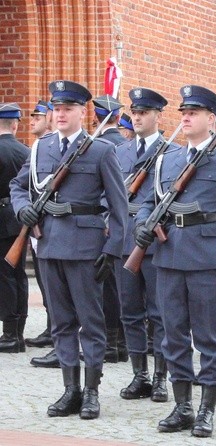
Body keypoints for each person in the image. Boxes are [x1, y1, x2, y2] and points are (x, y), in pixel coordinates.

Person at [134, 85, 216, 437]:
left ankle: (207, 409)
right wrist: (143, 224)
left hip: (209, 259)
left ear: (212, 119)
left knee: (211, 337)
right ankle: (183, 405)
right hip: (169, 257)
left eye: (194, 112)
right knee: (172, 336)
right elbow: (148, 202)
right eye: (184, 112)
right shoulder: (167, 160)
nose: (185, 117)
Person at [10, 80, 127, 419]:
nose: (60, 114)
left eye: (67, 109)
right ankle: (70, 390)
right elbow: (18, 186)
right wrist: (22, 209)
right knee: (61, 323)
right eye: (56, 109)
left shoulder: (101, 151)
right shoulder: (40, 148)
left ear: (82, 112)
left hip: (86, 247)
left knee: (91, 322)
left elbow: (118, 207)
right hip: (47, 245)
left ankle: (91, 392)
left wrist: (114, 249)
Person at [114, 87, 171, 402]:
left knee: (159, 312)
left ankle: (161, 377)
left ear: (158, 116)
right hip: (124, 240)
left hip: (155, 241)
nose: (137, 118)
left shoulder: (171, 152)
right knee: (130, 312)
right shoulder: (119, 152)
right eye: (134, 113)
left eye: (144, 113)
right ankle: (140, 376)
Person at [92, 95, 128, 364]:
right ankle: (121, 342)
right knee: (119, 287)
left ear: (96, 116)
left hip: (104, 221)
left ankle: (110, 342)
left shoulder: (100, 146)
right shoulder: (124, 144)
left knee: (107, 287)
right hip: (123, 222)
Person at [24, 100, 55, 352]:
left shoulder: (58, 147)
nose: (32, 121)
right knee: (46, 283)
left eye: (38, 116)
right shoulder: (36, 149)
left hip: (57, 226)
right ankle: (51, 327)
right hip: (37, 225)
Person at [0, 103, 30, 353]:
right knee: (18, 274)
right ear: (15, 125)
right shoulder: (26, 151)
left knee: (4, 275)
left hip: (1, 217)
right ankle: (17, 332)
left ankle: (9, 335)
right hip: (19, 216)